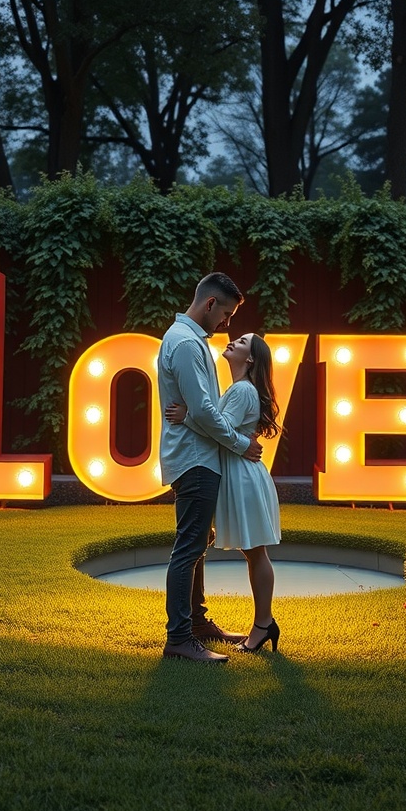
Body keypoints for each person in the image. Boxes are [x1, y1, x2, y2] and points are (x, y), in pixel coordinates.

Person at [158, 273, 263, 663]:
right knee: (187, 549)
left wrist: (194, 416)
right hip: (195, 460)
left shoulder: (188, 340)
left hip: (197, 456)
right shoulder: (185, 343)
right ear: (209, 305)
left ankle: (197, 623)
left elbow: (200, 409)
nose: (227, 324)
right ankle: (180, 638)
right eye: (227, 314)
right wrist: (240, 444)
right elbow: (203, 410)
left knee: (195, 546)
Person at [166, 333, 281, 654]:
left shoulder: (242, 390)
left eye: (242, 342)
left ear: (251, 359)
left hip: (241, 478)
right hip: (236, 474)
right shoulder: (238, 389)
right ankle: (251, 623)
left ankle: (263, 625)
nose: (233, 342)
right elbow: (222, 426)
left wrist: (187, 416)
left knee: (255, 551)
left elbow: (222, 430)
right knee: (242, 549)